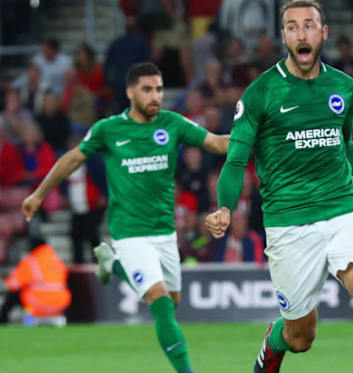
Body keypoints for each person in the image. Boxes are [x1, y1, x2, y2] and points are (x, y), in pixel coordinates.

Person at [204, 0, 353, 373]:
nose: (300, 33)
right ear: (284, 36)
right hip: (289, 223)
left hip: (344, 211)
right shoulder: (261, 92)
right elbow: (237, 159)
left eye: (308, 25)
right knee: (301, 337)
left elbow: (345, 145)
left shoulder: (342, 86)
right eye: (292, 26)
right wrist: (225, 206)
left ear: (322, 33)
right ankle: (275, 341)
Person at [20, 62, 229, 373]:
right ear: (131, 92)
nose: (155, 95)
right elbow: (74, 158)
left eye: (159, 89)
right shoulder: (109, 130)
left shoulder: (172, 123)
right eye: (147, 89)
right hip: (129, 232)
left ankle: (113, 266)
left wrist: (258, 137)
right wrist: (38, 194)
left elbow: (216, 142)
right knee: (159, 303)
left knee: (171, 303)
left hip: (164, 232)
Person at [0, 239, 71, 325]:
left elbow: (13, 284)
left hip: (38, 301)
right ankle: (68, 319)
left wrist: (5, 282)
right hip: (61, 302)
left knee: (16, 294)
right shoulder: (58, 261)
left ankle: (3, 321)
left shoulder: (31, 261)